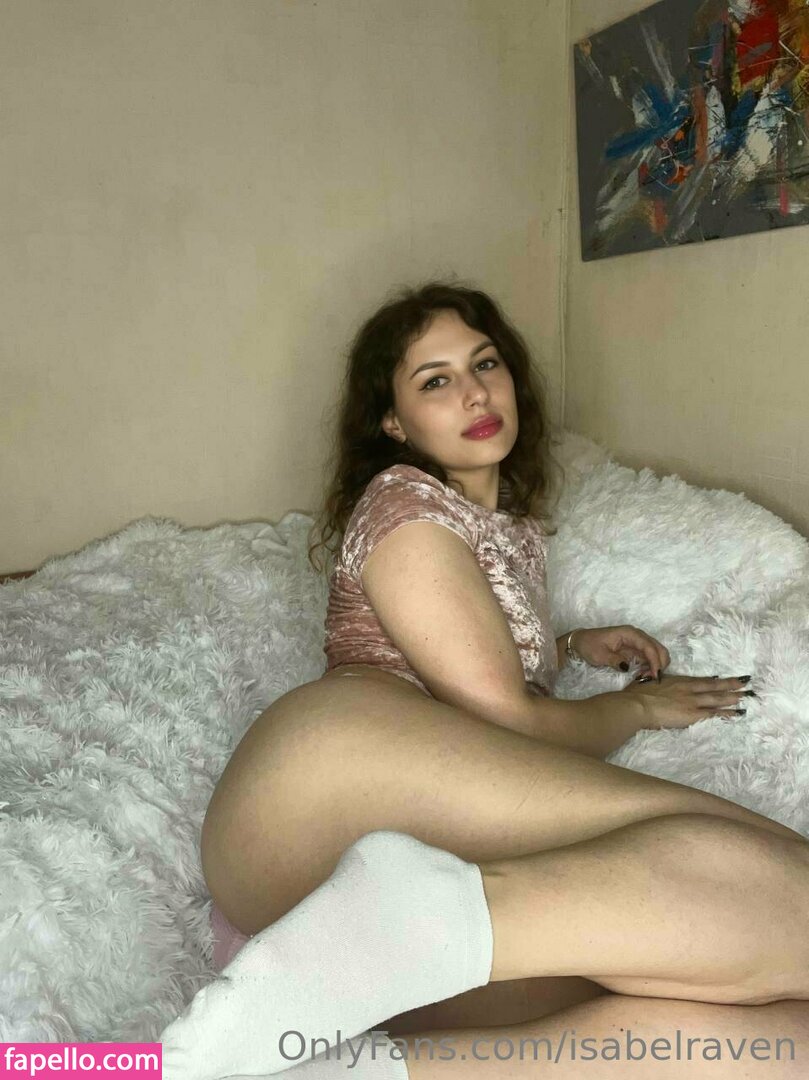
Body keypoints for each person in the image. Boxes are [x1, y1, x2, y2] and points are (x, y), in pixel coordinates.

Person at [161, 281, 809, 1079]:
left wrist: (566, 646)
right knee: (775, 874)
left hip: (328, 849)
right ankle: (420, 919)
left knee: (764, 1023)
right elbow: (506, 717)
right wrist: (638, 707)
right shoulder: (405, 506)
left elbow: (473, 653)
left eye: (485, 363)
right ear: (392, 422)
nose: (473, 392)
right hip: (329, 780)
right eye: (435, 380)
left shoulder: (500, 526)